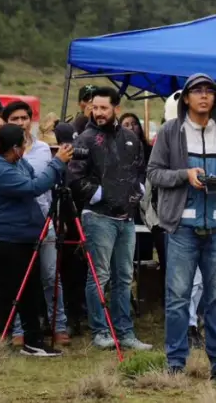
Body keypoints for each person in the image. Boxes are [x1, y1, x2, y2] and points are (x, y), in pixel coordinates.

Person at [147, 74, 216, 383]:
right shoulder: (169, 132)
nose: (204, 96)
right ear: (186, 99)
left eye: (209, 91)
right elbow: (153, 173)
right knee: (178, 297)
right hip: (182, 228)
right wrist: (184, 174)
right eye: (197, 91)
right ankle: (176, 364)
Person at [68, 87, 152, 351]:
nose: (99, 112)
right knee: (99, 275)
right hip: (98, 216)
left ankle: (125, 332)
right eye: (95, 107)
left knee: (125, 276)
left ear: (116, 107)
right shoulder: (85, 138)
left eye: (104, 107)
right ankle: (101, 331)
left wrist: (137, 191)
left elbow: (141, 169)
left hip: (126, 217)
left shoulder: (130, 138)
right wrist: (98, 194)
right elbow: (73, 176)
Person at [0, 124, 71, 356]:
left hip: (19, 237)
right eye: (23, 144)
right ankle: (9, 339)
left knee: (28, 290)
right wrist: (57, 163)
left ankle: (30, 341)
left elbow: (31, 175)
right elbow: (34, 186)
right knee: (15, 291)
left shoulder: (14, 162)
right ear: (16, 148)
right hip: (5, 239)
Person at [4, 101, 71, 347]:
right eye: (15, 119)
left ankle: (59, 325)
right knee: (22, 278)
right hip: (18, 223)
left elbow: (52, 184)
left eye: (24, 118)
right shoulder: (4, 154)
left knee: (52, 276)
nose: (21, 123)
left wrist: (58, 217)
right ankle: (20, 328)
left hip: (46, 220)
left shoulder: (43, 149)